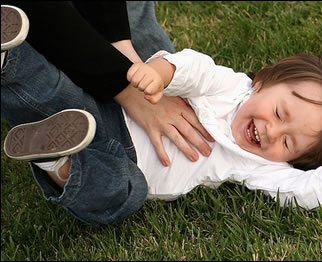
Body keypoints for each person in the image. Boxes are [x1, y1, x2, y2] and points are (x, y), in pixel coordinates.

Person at [1, 3, 213, 225]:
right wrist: (142, 81)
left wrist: (120, 47)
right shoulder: (235, 88)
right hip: (147, 92)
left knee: (126, 192)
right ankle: (10, 59)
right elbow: (197, 68)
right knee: (59, 96)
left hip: (112, 150)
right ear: (254, 85)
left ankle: (58, 163)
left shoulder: (252, 167)